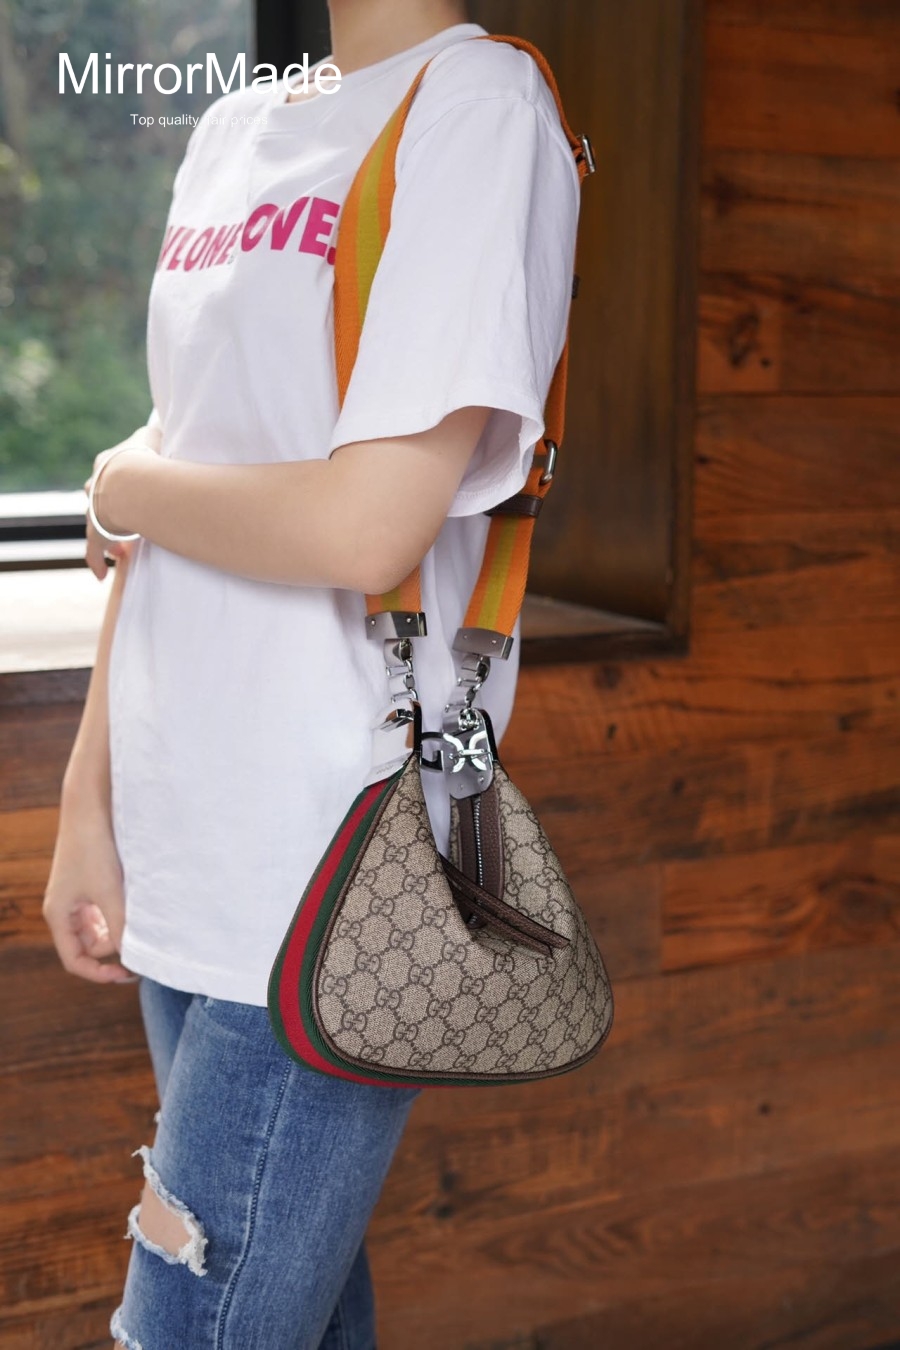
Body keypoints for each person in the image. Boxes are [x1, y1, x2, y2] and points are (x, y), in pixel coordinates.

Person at [41, 0, 581, 1345]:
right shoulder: (234, 128)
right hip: (182, 824)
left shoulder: (476, 107)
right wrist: (88, 801)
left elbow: (366, 527)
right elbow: (170, 488)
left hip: (336, 855)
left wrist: (121, 482)